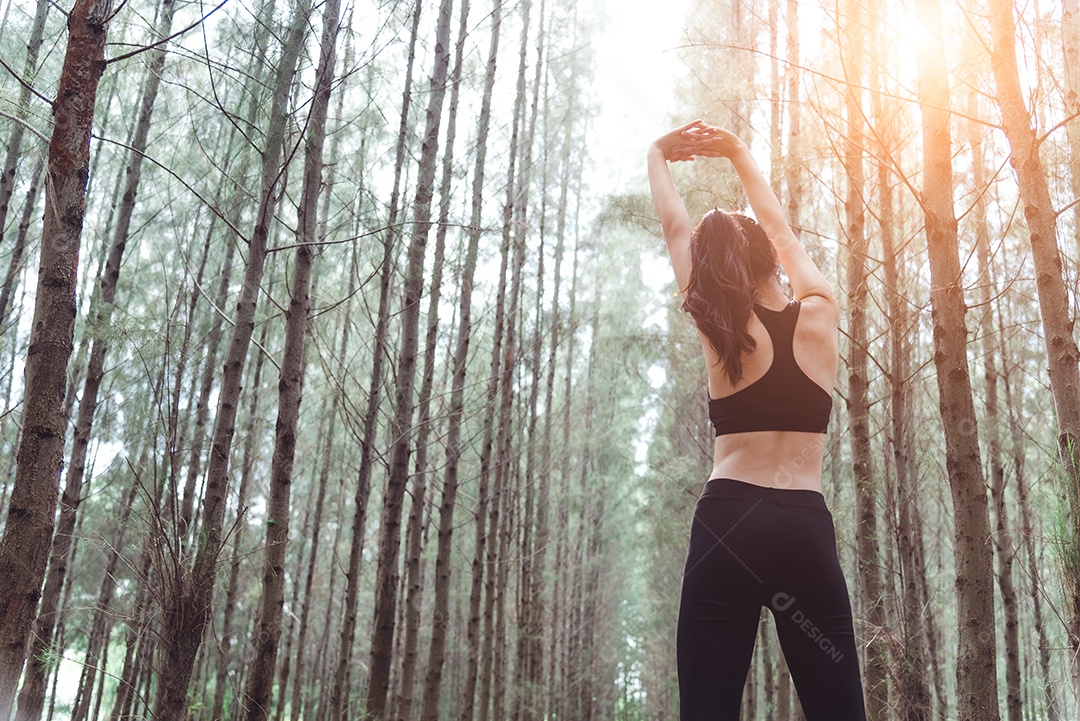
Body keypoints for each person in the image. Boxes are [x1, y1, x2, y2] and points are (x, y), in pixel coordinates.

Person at [647, 120, 867, 721]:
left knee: (709, 710)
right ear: (772, 258)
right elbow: (783, 233)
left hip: (729, 526)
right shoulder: (819, 313)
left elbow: (675, 228)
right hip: (803, 530)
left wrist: (659, 154)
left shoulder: (719, 322)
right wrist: (740, 154)